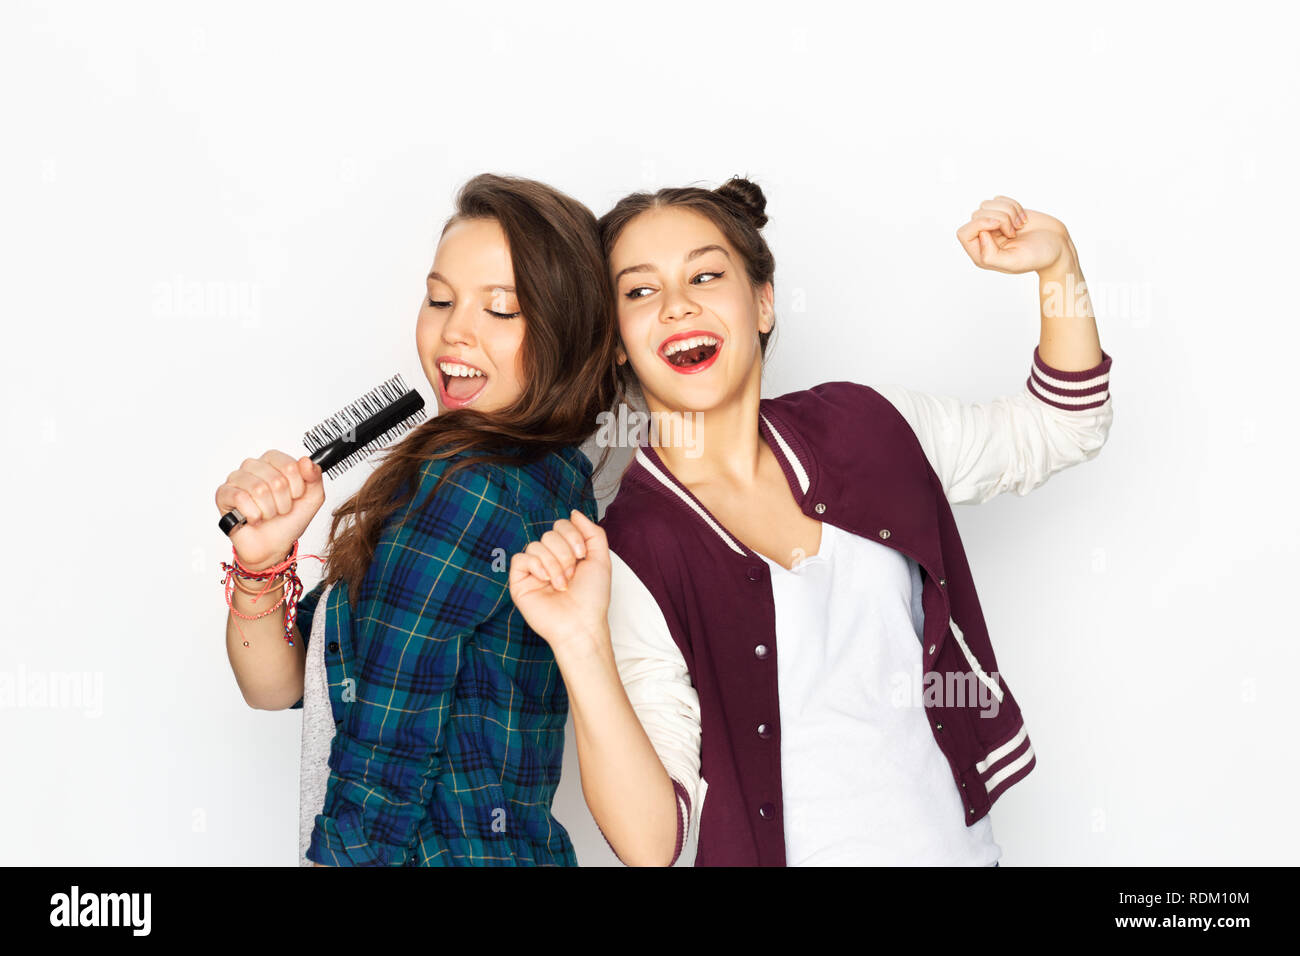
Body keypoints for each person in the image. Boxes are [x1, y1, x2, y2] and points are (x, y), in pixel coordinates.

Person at [508, 177, 1113, 866]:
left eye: (706, 275)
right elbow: (654, 845)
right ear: (618, 343)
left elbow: (1066, 427)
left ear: (763, 302)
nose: (678, 306)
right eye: (640, 292)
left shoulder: (870, 427)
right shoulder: (631, 549)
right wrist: (579, 643)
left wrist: (1057, 264)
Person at [215, 173, 620, 866]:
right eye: (440, 299)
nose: (453, 331)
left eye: (502, 309)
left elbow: (382, 768)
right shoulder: (525, 484)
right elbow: (278, 686)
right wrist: (261, 562)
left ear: (568, 335)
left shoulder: (474, 487)